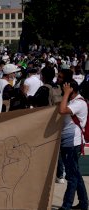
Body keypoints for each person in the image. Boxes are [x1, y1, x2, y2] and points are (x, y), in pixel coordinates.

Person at [58, 81, 88, 210]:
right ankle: (83, 204)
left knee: (72, 177)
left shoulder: (79, 103)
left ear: (72, 90)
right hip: (68, 142)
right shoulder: (72, 101)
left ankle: (67, 206)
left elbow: (62, 110)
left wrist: (66, 94)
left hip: (72, 143)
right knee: (75, 175)